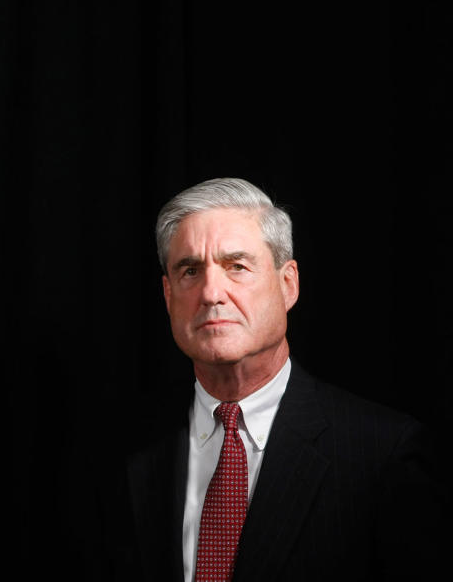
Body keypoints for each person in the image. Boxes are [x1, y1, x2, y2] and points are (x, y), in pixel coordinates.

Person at [110, 178, 445, 581]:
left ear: (288, 285)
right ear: (167, 296)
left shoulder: (383, 453)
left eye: (237, 266)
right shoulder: (120, 446)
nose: (211, 292)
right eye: (190, 270)